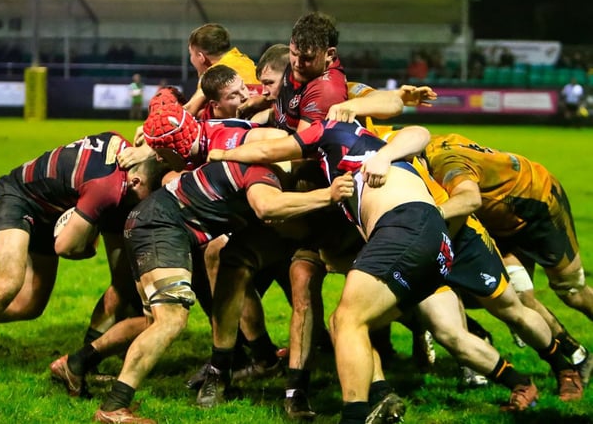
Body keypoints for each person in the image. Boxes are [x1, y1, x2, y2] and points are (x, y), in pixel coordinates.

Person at [207, 110, 545, 421]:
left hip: (407, 225)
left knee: (347, 319)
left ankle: (354, 416)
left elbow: (271, 151)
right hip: (433, 243)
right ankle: (520, 383)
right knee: (445, 333)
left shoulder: (338, 133)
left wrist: (224, 154)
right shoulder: (353, 163)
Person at [90, 154, 354, 423]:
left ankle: (77, 364)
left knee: (155, 319)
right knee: (170, 320)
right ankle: (114, 405)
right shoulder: (262, 177)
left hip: (150, 222)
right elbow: (266, 207)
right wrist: (329, 195)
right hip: (160, 227)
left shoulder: (251, 162)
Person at [0, 132, 171, 392]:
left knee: (30, 306)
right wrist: (88, 245)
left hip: (53, 207)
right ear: (136, 181)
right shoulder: (107, 188)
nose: (145, 202)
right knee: (6, 285)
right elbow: (65, 247)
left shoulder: (125, 155)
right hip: (18, 198)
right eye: (149, 193)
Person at [423, 133, 593, 386]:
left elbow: (469, 199)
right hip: (498, 220)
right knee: (520, 294)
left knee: (571, 291)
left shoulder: (447, 166)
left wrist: (428, 221)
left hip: (539, 204)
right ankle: (578, 356)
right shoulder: (429, 145)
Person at [184, 23, 260, 117]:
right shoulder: (244, 60)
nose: (191, 59)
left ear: (200, 57)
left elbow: (190, 110)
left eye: (191, 54)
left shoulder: (215, 74)